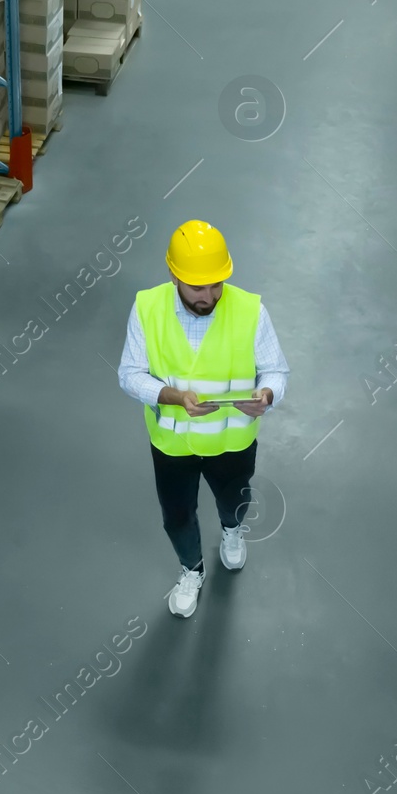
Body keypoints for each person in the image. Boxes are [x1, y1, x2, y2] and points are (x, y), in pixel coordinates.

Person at [117, 220, 289, 618]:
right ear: (174, 275)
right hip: (172, 445)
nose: (209, 296)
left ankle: (232, 530)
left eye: (217, 285)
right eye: (198, 287)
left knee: (234, 501)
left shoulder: (250, 310)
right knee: (177, 515)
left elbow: (276, 371)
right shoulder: (147, 308)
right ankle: (190, 569)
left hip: (231, 443)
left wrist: (267, 395)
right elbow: (129, 373)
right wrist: (172, 397)